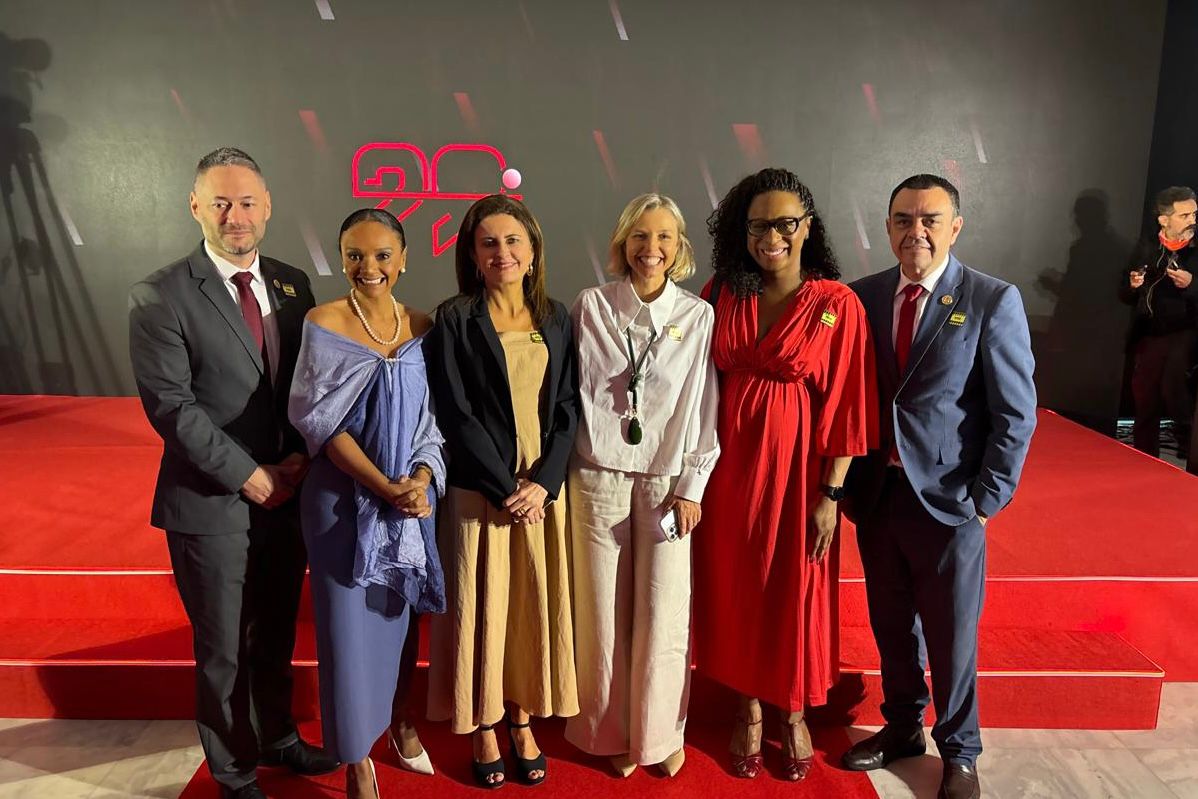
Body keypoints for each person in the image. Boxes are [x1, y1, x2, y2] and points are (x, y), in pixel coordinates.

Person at [128, 147, 336, 799]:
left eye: (246, 202)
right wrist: (251, 475)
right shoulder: (159, 294)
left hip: (287, 494)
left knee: (274, 633)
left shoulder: (294, 283)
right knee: (223, 649)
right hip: (210, 499)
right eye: (220, 202)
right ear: (195, 206)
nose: (234, 216)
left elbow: (309, 382)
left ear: (267, 207)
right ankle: (234, 770)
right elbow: (172, 407)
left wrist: (302, 455)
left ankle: (278, 736)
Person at [842, 174, 1037, 799]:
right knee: (892, 624)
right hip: (878, 496)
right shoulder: (863, 297)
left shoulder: (991, 300)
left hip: (951, 503)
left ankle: (961, 751)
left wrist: (986, 502)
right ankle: (903, 728)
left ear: (955, 226)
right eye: (903, 219)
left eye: (929, 219)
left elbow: (1015, 413)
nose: (915, 231)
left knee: (952, 635)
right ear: (888, 227)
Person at [692, 168, 874, 783]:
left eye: (785, 224)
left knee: (793, 588)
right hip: (726, 471)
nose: (771, 237)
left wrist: (831, 494)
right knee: (736, 586)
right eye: (758, 226)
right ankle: (746, 708)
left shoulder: (835, 304)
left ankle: (791, 711)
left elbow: (847, 403)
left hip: (799, 475)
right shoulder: (722, 293)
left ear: (807, 227)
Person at [288, 209, 446, 798]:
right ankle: (356, 758)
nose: (369, 267)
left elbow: (434, 420)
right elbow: (320, 422)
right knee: (345, 636)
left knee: (400, 621)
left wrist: (421, 479)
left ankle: (400, 722)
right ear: (341, 259)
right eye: (355, 255)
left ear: (404, 258)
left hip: (411, 505)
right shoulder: (323, 322)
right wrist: (385, 487)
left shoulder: (424, 326)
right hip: (341, 503)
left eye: (382, 255)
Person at [425, 194, 579, 789]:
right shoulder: (454, 318)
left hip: (539, 499)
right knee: (482, 612)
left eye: (513, 240)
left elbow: (567, 408)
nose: (502, 252)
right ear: (472, 254)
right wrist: (504, 486)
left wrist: (542, 485)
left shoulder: (556, 316)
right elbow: (454, 412)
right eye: (488, 242)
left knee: (528, 610)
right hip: (481, 494)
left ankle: (521, 717)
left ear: (533, 250)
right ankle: (484, 723)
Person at [565, 193, 720, 778]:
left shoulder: (696, 316)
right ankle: (606, 730)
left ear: (679, 247)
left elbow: (704, 404)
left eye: (663, 237)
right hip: (596, 475)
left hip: (666, 481)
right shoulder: (592, 306)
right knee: (601, 614)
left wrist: (693, 483)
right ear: (622, 242)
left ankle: (657, 734)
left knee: (663, 612)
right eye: (639, 235)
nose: (650, 248)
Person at [1119, 186, 1198, 469]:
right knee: (1145, 394)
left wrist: (1192, 284)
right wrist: (1132, 285)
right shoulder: (1148, 247)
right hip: (1150, 331)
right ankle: (1143, 459)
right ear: (1164, 220)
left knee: (1174, 389)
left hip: (1185, 330)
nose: (1192, 220)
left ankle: (1189, 450)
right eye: (1185, 215)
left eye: (1194, 214)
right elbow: (1124, 294)